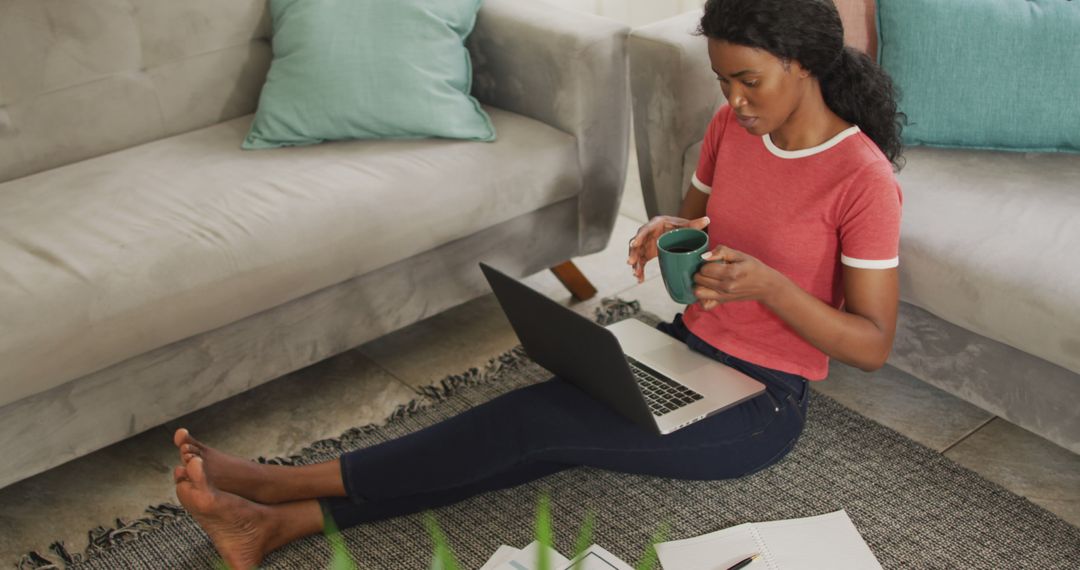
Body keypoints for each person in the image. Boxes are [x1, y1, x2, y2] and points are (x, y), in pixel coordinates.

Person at [171, 1, 904, 567]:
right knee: (535, 426)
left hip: (761, 407)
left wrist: (771, 288)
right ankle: (280, 524)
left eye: (749, 80)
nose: (735, 100)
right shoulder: (729, 128)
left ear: (804, 64)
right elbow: (699, 223)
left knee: (536, 426)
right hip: (688, 352)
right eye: (723, 81)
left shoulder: (860, 178)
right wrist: (665, 230)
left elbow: (871, 345)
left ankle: (284, 486)